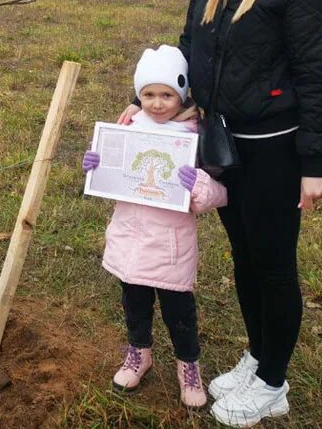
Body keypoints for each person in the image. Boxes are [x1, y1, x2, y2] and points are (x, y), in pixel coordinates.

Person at [118, 0, 322, 427]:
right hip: (219, 146)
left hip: (274, 148)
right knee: (243, 256)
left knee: (272, 263)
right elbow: (190, 46)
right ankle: (257, 355)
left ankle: (272, 383)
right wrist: (156, 102)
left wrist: (315, 162)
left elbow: (315, 75)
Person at [83, 45, 227, 408]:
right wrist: (97, 164)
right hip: (129, 240)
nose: (157, 103)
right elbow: (113, 175)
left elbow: (220, 194)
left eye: (167, 95)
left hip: (171, 245)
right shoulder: (128, 128)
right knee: (134, 303)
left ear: (182, 93)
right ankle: (139, 353)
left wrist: (197, 184)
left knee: (178, 311)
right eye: (148, 94)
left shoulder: (195, 135)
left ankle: (188, 365)